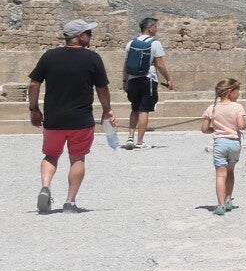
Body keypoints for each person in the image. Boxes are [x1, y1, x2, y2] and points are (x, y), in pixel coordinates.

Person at [27, 19, 114, 213]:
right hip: (81, 120)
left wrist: (34, 109)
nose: (91, 36)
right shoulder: (92, 58)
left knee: (51, 156)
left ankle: (45, 187)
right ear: (80, 36)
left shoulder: (49, 56)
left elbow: (33, 84)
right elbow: (102, 89)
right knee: (77, 159)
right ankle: (70, 202)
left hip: (54, 120)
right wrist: (107, 110)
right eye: (89, 33)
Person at [122, 17, 175, 149]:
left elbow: (126, 65)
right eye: (155, 27)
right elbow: (160, 64)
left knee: (134, 108)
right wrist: (168, 79)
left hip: (132, 79)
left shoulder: (130, 43)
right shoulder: (155, 43)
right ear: (150, 28)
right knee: (144, 109)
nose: (156, 29)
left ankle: (130, 137)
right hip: (148, 78)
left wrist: (124, 80)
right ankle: (140, 141)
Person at [200, 78, 246, 214]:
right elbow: (241, 126)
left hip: (220, 143)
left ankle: (220, 205)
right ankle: (228, 200)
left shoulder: (212, 108)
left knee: (220, 175)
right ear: (230, 91)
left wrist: (216, 129)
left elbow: (204, 129)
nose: (239, 93)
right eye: (238, 91)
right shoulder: (237, 107)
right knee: (231, 172)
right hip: (234, 143)